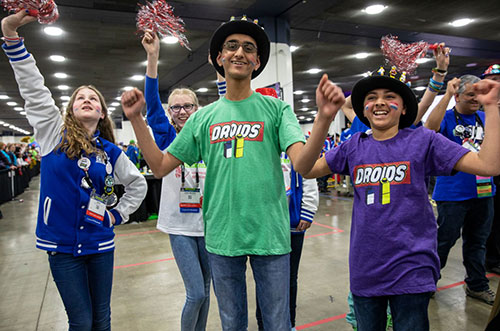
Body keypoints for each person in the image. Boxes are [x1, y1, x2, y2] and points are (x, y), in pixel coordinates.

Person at [121, 16, 344, 331]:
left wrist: (322, 119)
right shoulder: (203, 118)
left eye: (248, 48)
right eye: (232, 46)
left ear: (257, 61)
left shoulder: (277, 110)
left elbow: (302, 165)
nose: (240, 52)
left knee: (278, 323)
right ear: (218, 58)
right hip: (223, 236)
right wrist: (135, 119)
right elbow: (159, 166)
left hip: (271, 235)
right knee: (232, 323)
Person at [300, 66, 500, 330]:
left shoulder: (423, 140)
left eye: (389, 96)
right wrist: (324, 117)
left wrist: (492, 108)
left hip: (412, 267)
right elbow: (306, 168)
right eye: (371, 97)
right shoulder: (353, 146)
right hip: (365, 267)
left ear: (405, 108)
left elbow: (489, 165)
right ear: (363, 109)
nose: (380, 102)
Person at [1, 10, 147, 330]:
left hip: (100, 244)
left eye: (93, 98)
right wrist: (10, 33)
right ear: (70, 108)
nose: (86, 99)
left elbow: (137, 185)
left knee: (102, 318)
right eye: (79, 97)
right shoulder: (53, 135)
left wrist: (117, 215)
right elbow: (33, 89)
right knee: (80, 321)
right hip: (61, 246)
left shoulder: (110, 151)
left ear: (101, 112)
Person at [142, 30, 211, 331]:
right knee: (195, 293)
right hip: (179, 225)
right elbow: (152, 106)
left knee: (207, 293)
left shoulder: (209, 136)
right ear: (170, 113)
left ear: (198, 109)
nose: (182, 111)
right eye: (176, 107)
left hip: (210, 224)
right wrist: (153, 57)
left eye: (188, 106)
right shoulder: (167, 136)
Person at [425, 74, 497, 305]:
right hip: (452, 193)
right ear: (458, 96)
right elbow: (430, 128)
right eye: (470, 95)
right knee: (444, 241)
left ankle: (477, 285)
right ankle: (428, 283)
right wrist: (446, 94)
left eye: (478, 95)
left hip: (484, 191)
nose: (475, 99)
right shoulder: (446, 117)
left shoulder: (485, 117)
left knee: (478, 241)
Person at [255, 153, 319, 331]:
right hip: (265, 223)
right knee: (263, 278)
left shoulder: (295, 142)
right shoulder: (261, 140)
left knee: (290, 278)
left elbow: (308, 174)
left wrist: (308, 209)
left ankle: (289, 323)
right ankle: (263, 324)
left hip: (292, 224)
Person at [481, 64, 500, 276]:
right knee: (491, 223)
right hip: (488, 177)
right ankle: (492, 259)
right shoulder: (483, 113)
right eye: (493, 78)